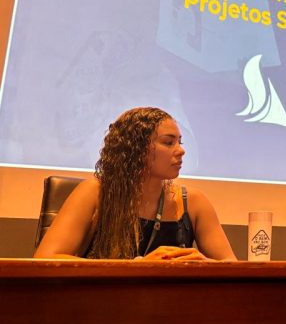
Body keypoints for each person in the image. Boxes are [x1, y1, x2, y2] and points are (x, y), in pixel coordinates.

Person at [34, 107, 236, 260]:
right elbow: (46, 258)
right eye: (168, 142)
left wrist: (204, 264)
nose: (181, 150)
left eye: (179, 142)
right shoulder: (95, 192)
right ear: (136, 149)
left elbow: (230, 266)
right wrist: (137, 268)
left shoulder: (193, 202)